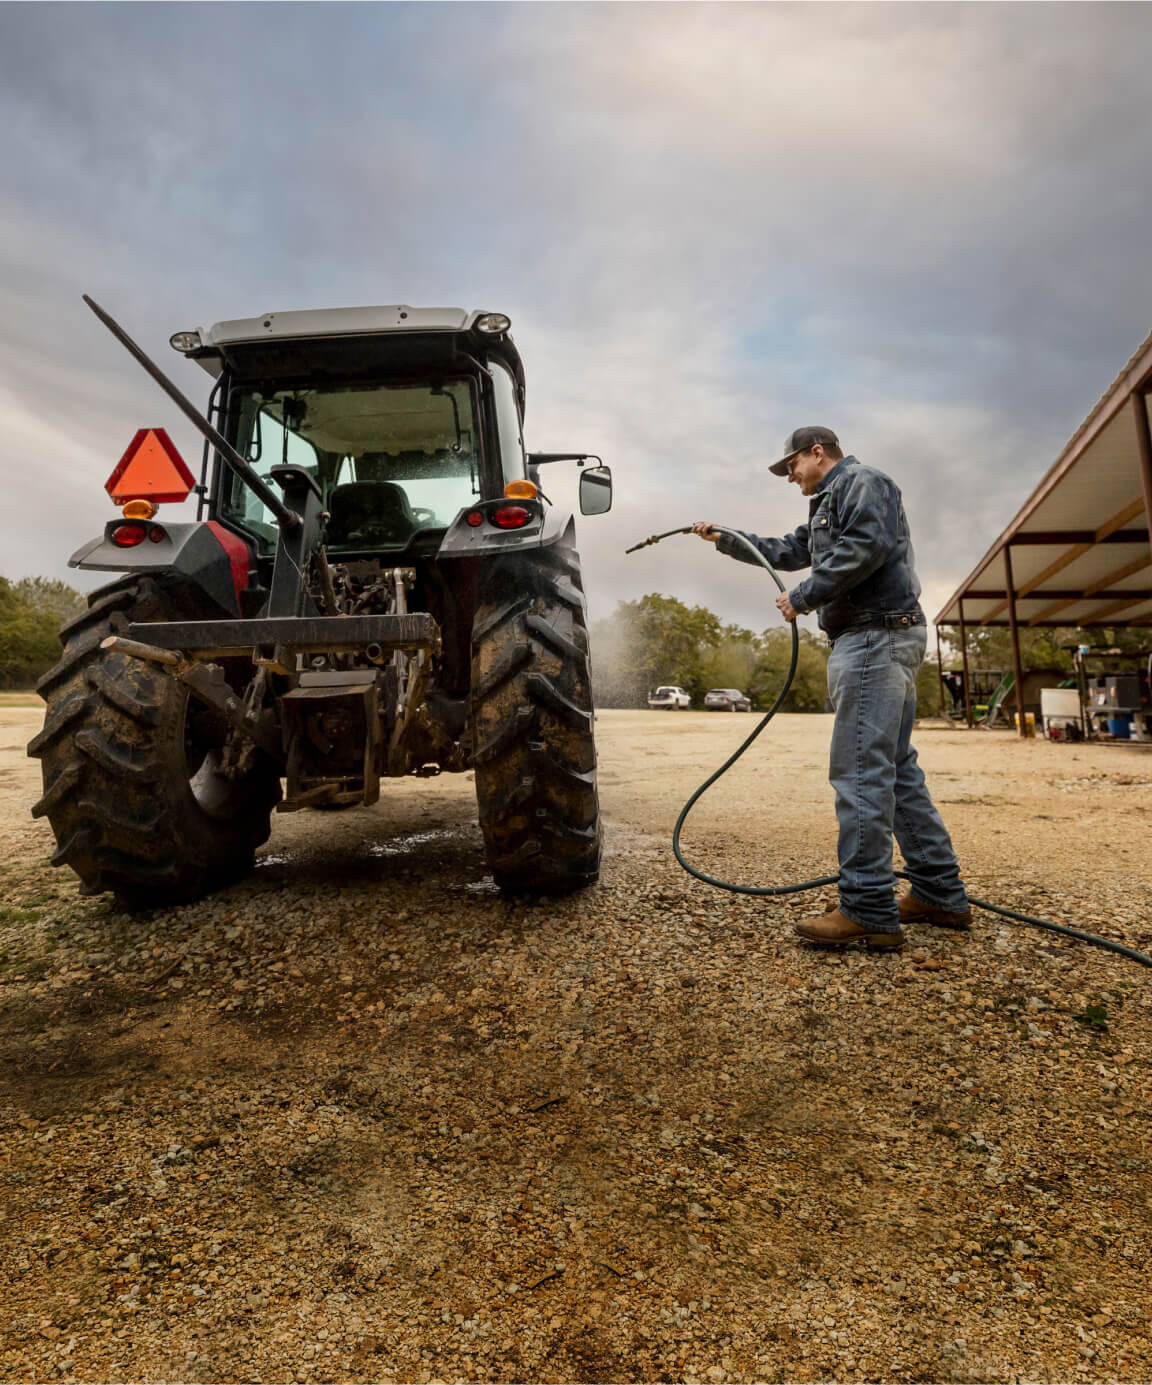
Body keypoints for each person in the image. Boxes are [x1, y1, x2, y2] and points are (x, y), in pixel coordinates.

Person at [692, 426, 970, 949]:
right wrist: (727, 539)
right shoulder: (827, 504)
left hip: (872, 638)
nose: (790, 475)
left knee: (861, 770)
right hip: (879, 637)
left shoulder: (863, 481)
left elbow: (868, 545)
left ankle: (867, 906)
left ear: (816, 452)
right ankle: (938, 892)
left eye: (791, 465)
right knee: (894, 769)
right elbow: (790, 548)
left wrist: (805, 595)